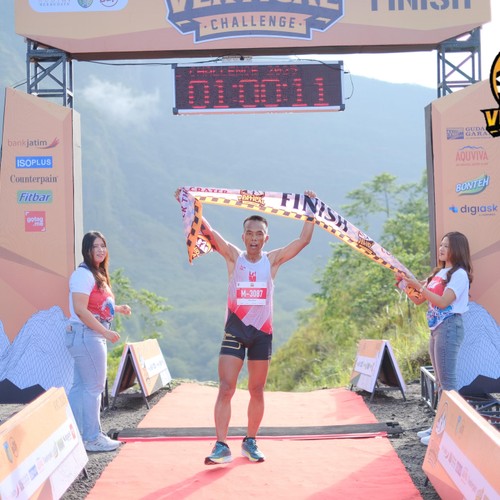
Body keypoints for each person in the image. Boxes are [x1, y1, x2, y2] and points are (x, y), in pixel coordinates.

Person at [179, 190, 316, 465]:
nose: (254, 238)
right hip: (235, 331)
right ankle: (221, 445)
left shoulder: (272, 260)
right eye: (250, 234)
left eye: (259, 234)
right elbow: (209, 231)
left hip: (262, 335)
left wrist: (310, 209)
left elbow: (303, 240)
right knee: (226, 388)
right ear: (243, 237)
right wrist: (187, 201)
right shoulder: (234, 257)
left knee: (257, 390)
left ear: (266, 238)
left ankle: (250, 441)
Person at [396, 231, 472, 446]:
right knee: (440, 382)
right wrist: (404, 284)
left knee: (448, 384)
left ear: (457, 249)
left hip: (449, 327)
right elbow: (419, 299)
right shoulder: (439, 273)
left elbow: (442, 302)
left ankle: (449, 432)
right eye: (441, 245)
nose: (441, 249)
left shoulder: (459, 275)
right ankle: (439, 425)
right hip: (436, 329)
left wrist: (418, 285)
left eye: (446, 246)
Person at [66, 231, 132, 452]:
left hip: (85, 334)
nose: (101, 250)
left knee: (81, 386)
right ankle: (93, 438)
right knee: (94, 387)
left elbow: (97, 305)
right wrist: (105, 332)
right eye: (96, 246)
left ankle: (76, 436)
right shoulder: (83, 275)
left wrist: (118, 308)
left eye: (103, 245)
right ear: (87, 250)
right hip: (87, 334)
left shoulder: (96, 274)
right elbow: (80, 310)